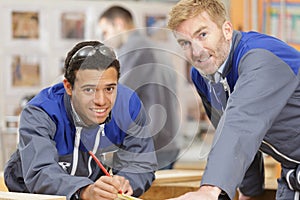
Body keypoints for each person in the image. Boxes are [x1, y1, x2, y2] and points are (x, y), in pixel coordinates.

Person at [167, 0, 300, 200]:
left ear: (227, 30)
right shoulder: (203, 75)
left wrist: (211, 189)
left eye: (202, 35)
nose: (196, 51)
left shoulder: (261, 58)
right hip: (292, 174)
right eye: (185, 43)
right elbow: (228, 130)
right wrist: (249, 191)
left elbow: (242, 120)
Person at [4, 40, 157, 200]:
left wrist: (126, 182)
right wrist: (84, 190)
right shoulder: (40, 112)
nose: (101, 100)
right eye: (89, 90)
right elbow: (40, 171)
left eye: (109, 89)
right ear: (68, 87)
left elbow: (141, 162)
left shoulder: (128, 105)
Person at [98, 6, 181, 170]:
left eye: (106, 32)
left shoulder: (134, 49)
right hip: (168, 143)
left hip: (148, 146)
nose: (105, 38)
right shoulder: (157, 48)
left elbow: (114, 95)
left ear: (119, 24)